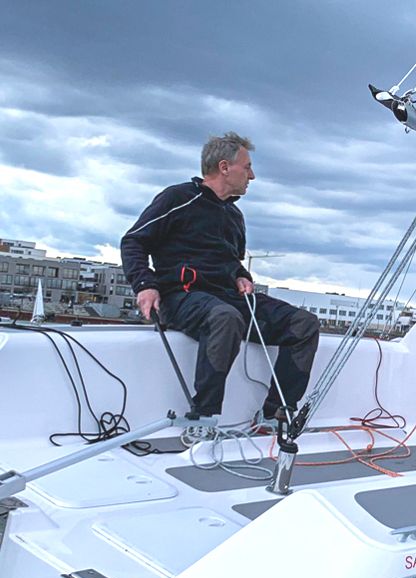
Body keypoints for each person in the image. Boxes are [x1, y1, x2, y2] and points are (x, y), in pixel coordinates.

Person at [120, 132, 319, 434]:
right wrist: (144, 284)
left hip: (227, 298)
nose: (252, 175)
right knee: (225, 318)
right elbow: (133, 241)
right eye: (247, 167)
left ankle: (275, 415)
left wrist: (242, 276)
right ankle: (203, 418)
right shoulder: (178, 198)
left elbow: (231, 261)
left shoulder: (234, 215)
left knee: (304, 324)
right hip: (182, 297)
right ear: (224, 167)